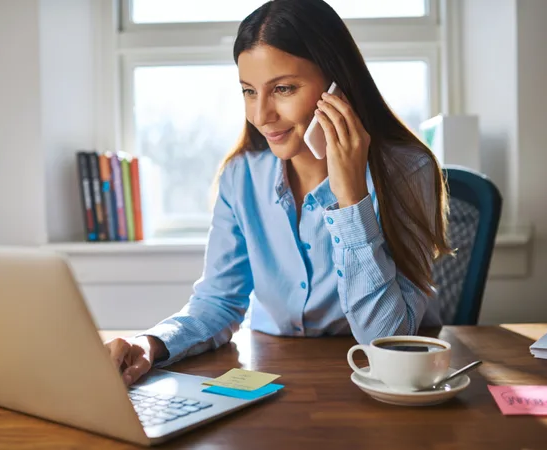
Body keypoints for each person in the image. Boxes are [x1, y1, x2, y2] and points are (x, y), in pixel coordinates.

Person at [105, 0, 452, 387]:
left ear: (337, 84)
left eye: (283, 88)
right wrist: (151, 344)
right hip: (272, 377)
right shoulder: (242, 175)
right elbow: (219, 301)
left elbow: (386, 341)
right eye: (249, 91)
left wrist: (352, 198)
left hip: (378, 385)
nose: (261, 114)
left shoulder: (407, 171)